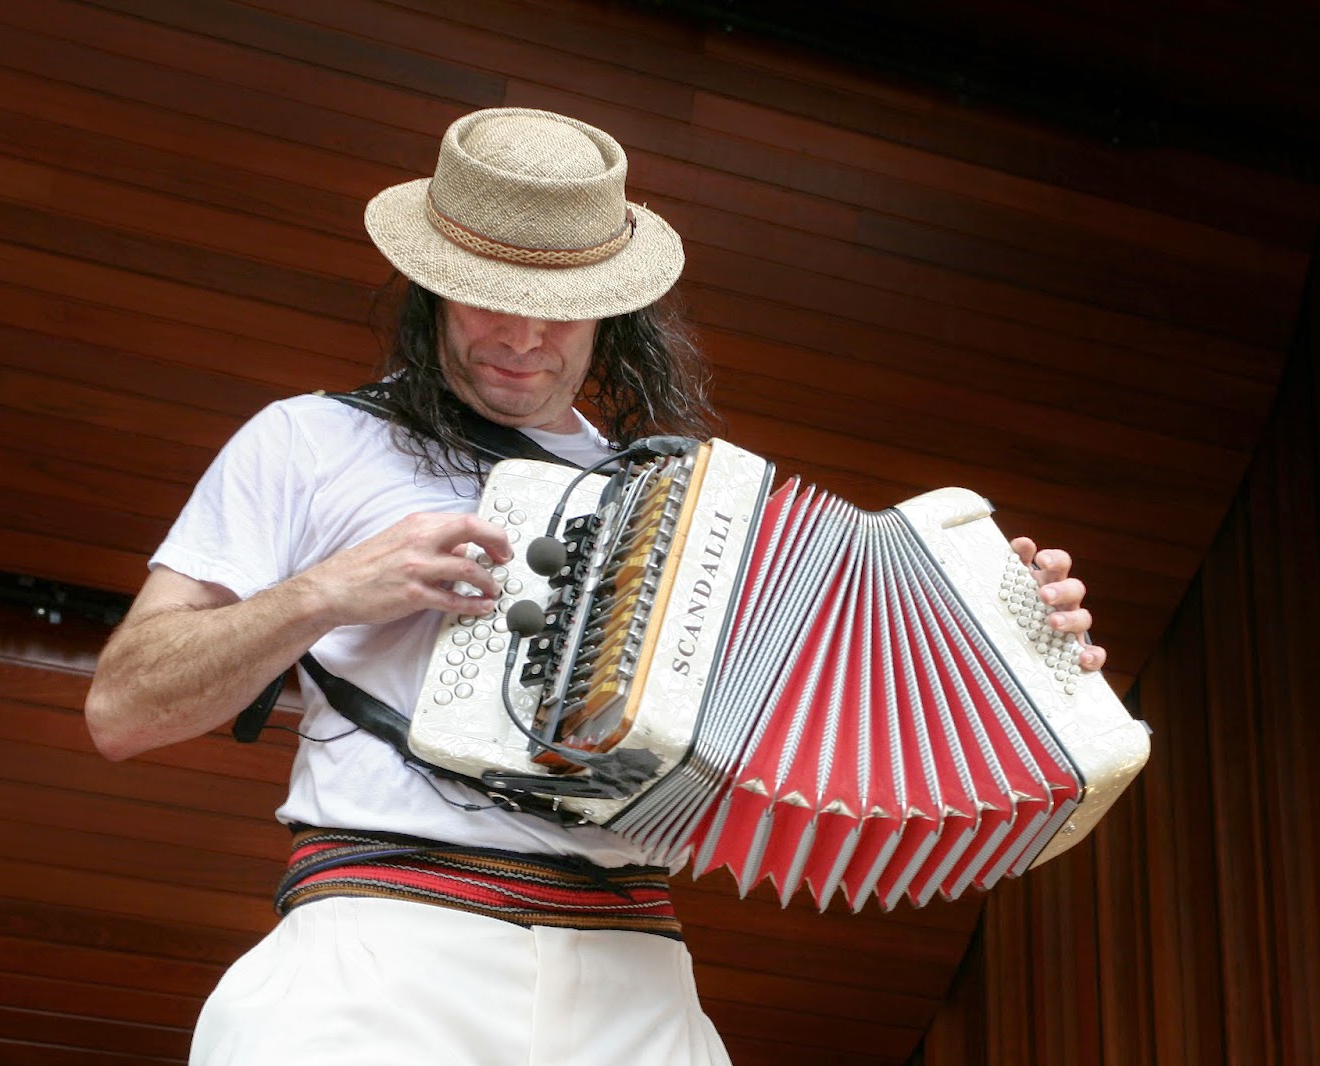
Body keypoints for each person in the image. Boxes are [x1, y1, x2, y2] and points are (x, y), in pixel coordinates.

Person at [84, 107, 1106, 1066]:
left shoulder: (700, 509)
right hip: (381, 944)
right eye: (491, 299)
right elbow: (123, 708)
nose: (525, 339)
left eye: (562, 311)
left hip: (638, 973)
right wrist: (328, 591)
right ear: (427, 284)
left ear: (613, 309)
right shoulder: (309, 439)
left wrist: (1011, 644)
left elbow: (847, 711)